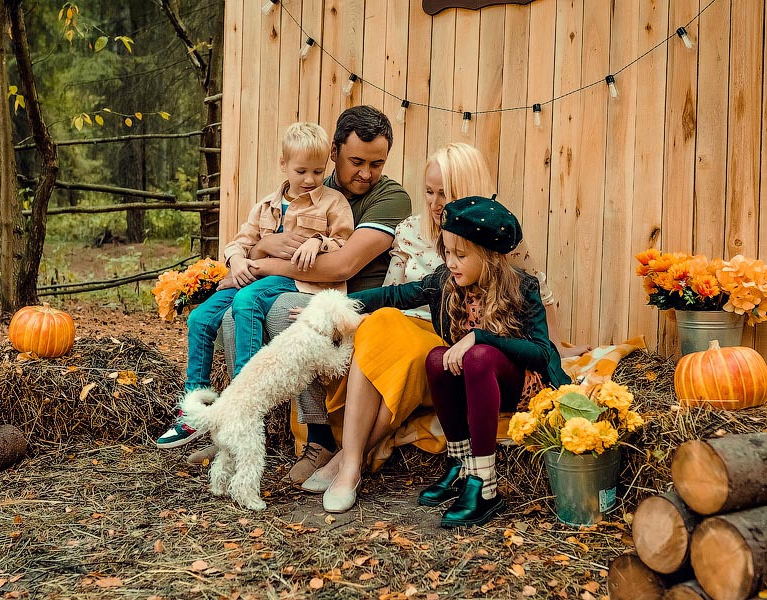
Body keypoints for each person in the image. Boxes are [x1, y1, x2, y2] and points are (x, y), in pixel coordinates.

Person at [184, 106, 413, 480]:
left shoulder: (390, 197)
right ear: (334, 151)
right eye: (356, 162)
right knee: (232, 314)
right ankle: (237, 425)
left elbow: (342, 266)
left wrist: (263, 264)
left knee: (285, 314)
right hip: (301, 286)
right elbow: (259, 241)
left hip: (347, 302)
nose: (366, 173)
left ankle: (319, 440)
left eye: (377, 163)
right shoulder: (311, 182)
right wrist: (261, 249)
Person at [321, 195, 571, 521]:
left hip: (518, 387)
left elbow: (541, 353)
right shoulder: (446, 282)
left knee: (478, 356)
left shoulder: (522, 288)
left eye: (461, 255)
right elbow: (394, 295)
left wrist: (479, 337)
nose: (451, 262)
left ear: (490, 257)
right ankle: (459, 465)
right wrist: (333, 305)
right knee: (436, 358)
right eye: (447, 252)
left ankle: (484, 484)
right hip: (473, 386)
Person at [156, 122, 354, 448]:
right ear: (283, 164)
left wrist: (317, 241)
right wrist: (236, 260)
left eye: (318, 172)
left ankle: (243, 399)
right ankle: (192, 408)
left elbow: (343, 242)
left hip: (294, 279)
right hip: (255, 276)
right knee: (199, 318)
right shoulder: (266, 205)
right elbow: (239, 242)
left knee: (246, 300)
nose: (309, 179)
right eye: (301, 171)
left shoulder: (333, 203)